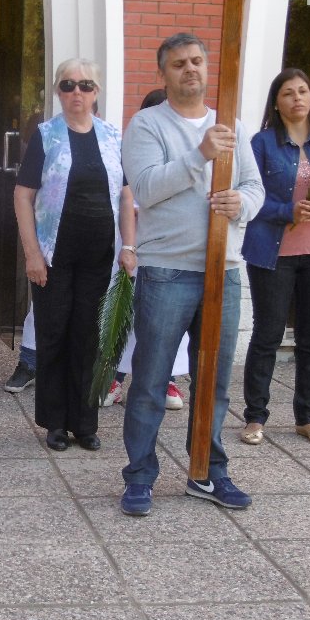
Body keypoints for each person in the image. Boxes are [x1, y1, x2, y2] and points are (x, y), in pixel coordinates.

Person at [119, 33, 264, 515]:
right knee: (151, 380)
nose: (190, 70)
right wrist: (198, 155)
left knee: (215, 380)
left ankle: (207, 470)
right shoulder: (146, 125)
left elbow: (254, 188)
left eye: (197, 61)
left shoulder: (232, 126)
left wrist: (239, 203)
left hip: (224, 270)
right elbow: (145, 188)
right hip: (167, 271)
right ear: (164, 74)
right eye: (179, 64)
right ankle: (139, 476)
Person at [14, 58, 136, 452]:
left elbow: (126, 192)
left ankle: (84, 423)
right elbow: (23, 194)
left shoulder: (113, 137)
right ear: (57, 92)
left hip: (98, 254)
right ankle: (54, 422)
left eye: (85, 85)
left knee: (89, 338)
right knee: (54, 334)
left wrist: (129, 246)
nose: (76, 93)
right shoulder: (46, 135)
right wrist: (32, 253)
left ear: (96, 92)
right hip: (53, 253)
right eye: (67, 85)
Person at [240, 68, 310, 447]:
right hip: (273, 254)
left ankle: (307, 417)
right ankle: (255, 417)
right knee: (267, 336)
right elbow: (251, 197)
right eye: (288, 93)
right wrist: (288, 211)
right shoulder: (262, 143)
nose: (297, 99)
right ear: (277, 102)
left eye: (303, 91)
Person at [101, 87, 187, 411]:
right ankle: (114, 377)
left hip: (171, 247)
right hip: (130, 242)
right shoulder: (127, 149)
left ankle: (167, 378)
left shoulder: (186, 152)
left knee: (165, 316)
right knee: (122, 310)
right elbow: (121, 196)